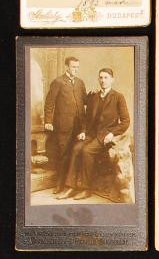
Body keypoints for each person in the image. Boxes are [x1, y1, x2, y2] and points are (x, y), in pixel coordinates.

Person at [57, 68, 130, 200]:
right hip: (91, 134)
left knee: (87, 151)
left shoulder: (118, 97)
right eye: (100, 77)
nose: (103, 80)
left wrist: (112, 134)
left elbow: (126, 121)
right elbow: (86, 118)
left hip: (105, 137)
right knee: (76, 148)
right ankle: (71, 187)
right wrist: (83, 131)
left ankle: (86, 189)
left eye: (106, 78)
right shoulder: (94, 97)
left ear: (112, 80)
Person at [43, 56, 87, 192]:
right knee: (63, 154)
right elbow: (49, 102)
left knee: (76, 153)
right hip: (63, 125)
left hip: (79, 126)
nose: (76, 69)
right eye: (73, 67)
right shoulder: (58, 82)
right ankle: (60, 184)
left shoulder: (80, 82)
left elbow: (85, 100)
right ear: (67, 67)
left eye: (77, 67)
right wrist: (48, 121)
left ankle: (72, 185)